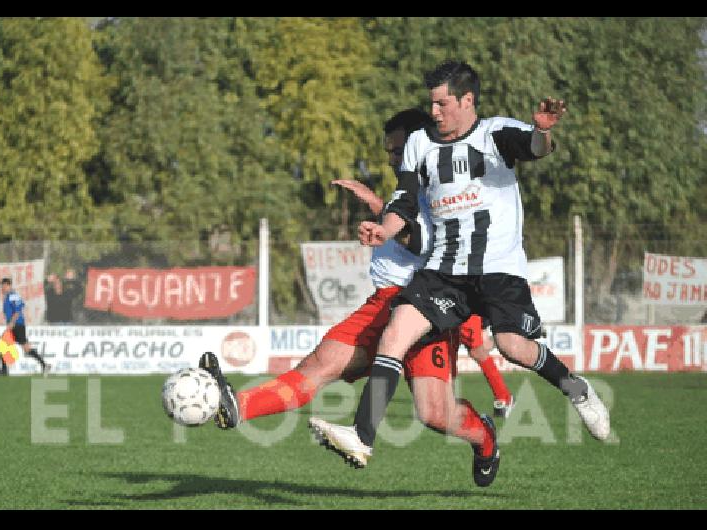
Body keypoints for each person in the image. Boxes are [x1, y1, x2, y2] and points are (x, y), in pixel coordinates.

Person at [309, 60, 611, 483]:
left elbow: (535, 148)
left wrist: (542, 130)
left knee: (513, 347)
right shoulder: (419, 144)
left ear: (467, 101)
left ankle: (577, 389)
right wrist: (384, 230)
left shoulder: (495, 134)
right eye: (431, 103)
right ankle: (362, 436)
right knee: (397, 330)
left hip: (498, 269)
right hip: (445, 271)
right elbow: (405, 201)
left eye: (442, 103)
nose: (434, 112)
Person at [198, 108, 513, 485]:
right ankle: (236, 407)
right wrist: (383, 208)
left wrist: (382, 213)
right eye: (389, 152)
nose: (393, 159)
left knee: (435, 414)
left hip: (426, 306)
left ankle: (485, 437)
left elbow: (431, 244)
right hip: (381, 304)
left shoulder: (445, 187)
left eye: (399, 150)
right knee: (317, 367)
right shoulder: (405, 190)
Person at [0, 277, 51, 375]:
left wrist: (12, 323)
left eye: (3, 286)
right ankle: (44, 365)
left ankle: (4, 370)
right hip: (16, 325)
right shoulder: (8, 296)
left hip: (17, 325)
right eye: (1, 287)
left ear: (8, 285)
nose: (2, 289)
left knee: (3, 345)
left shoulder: (13, 295)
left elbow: (18, 309)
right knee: (25, 349)